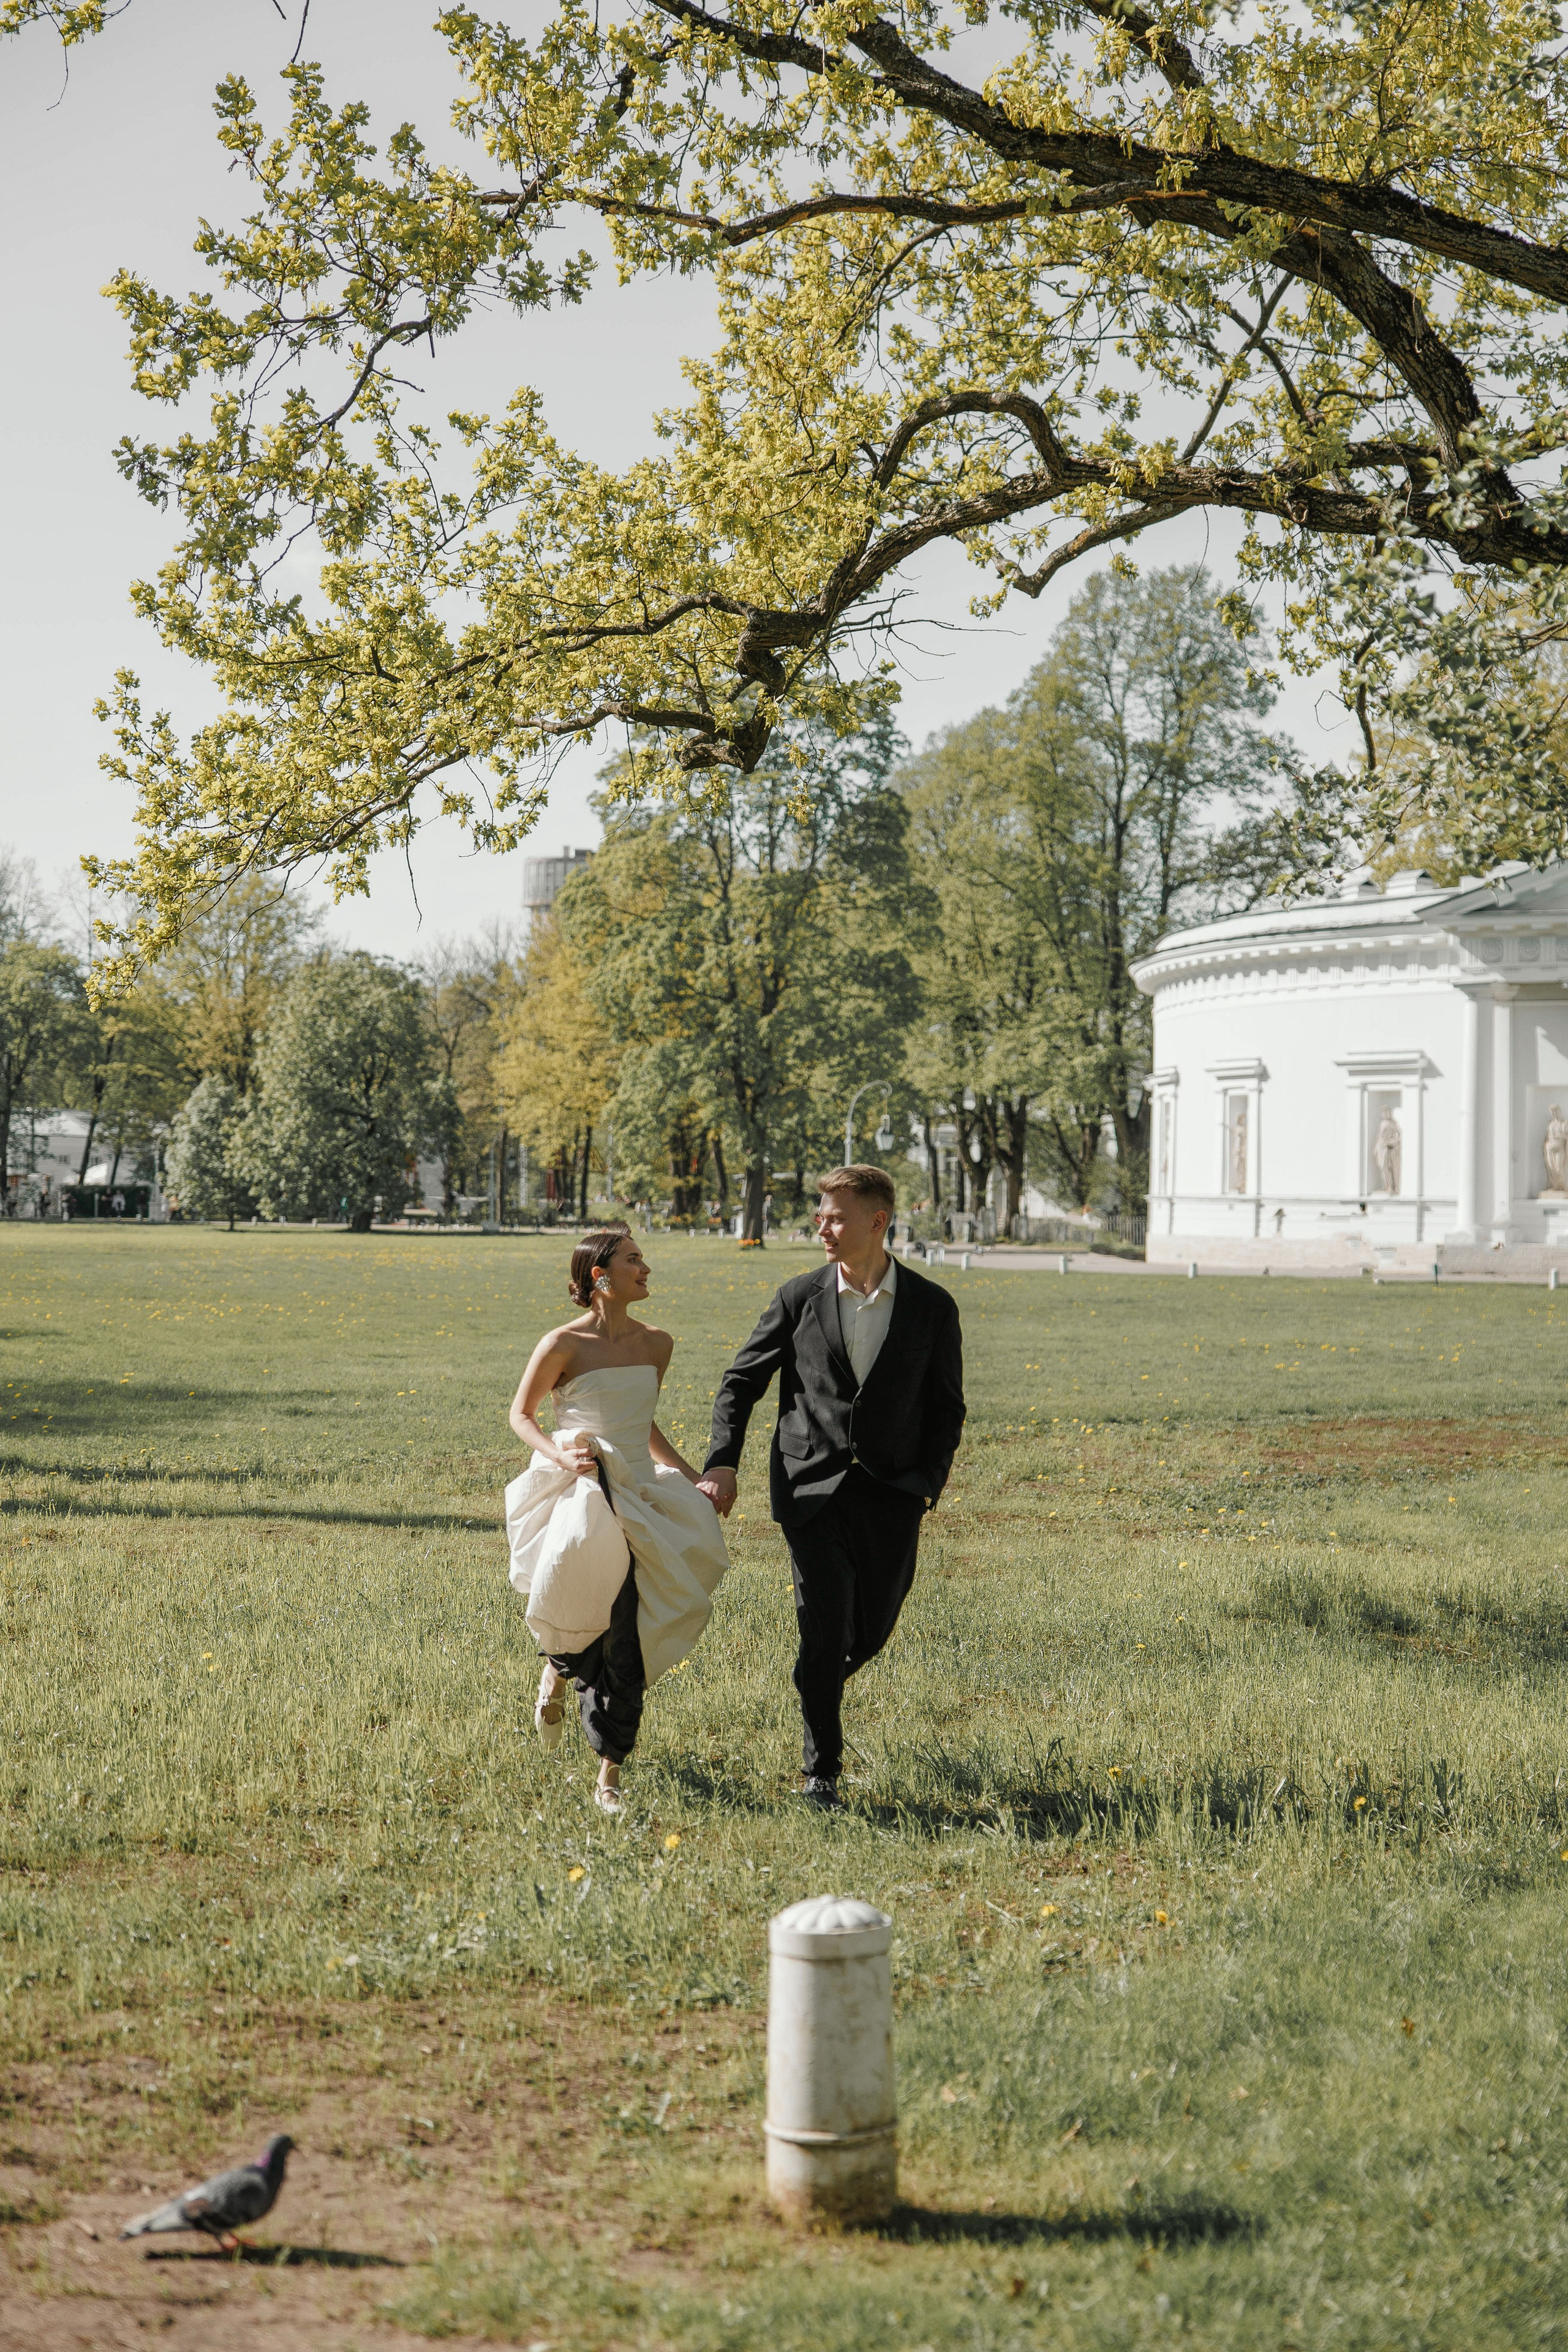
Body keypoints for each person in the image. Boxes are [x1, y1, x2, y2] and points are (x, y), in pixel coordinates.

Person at [697, 1166, 966, 1808]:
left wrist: (925, 1484)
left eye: (836, 1217)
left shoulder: (931, 1306)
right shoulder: (798, 1297)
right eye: (820, 1215)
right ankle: (822, 1773)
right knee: (823, 1631)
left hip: (893, 1492)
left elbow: (946, 1407)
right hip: (808, 1488)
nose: (822, 1225)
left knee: (870, 1630)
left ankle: (815, 1678)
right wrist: (721, 1462)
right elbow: (741, 1383)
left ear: (878, 1222)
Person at [505, 1226, 728, 1814]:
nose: (646, 1269)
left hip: (639, 1489)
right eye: (634, 1260)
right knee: (579, 1596)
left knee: (630, 1626)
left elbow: (643, 1423)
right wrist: (559, 1454)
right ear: (600, 1277)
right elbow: (522, 1415)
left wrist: (696, 1477)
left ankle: (609, 1776)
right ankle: (557, 1668)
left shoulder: (658, 1343)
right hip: (578, 1485)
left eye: (643, 1259)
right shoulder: (562, 1344)